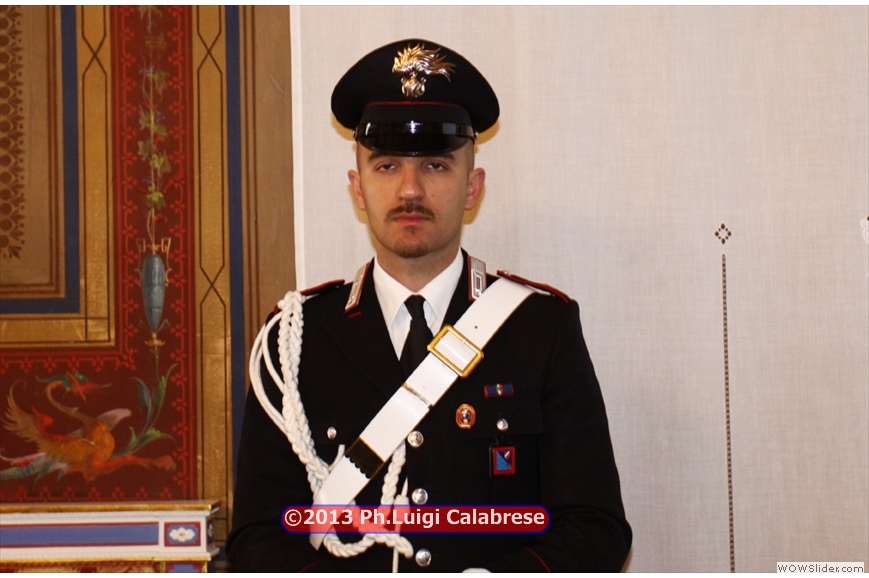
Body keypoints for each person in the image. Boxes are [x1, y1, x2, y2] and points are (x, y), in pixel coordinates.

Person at [227, 38, 632, 572]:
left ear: (473, 187)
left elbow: (595, 530)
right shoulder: (294, 341)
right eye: (386, 166)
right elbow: (258, 538)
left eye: (437, 165)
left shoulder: (540, 330)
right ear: (357, 188)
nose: (410, 190)